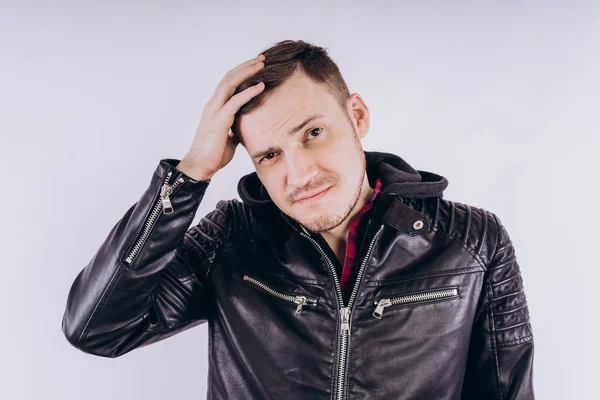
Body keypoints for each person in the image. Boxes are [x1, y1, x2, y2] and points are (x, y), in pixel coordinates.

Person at [61, 40, 535, 399]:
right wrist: (190, 174)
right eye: (269, 155)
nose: (300, 175)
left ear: (357, 115)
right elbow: (97, 329)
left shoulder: (472, 241)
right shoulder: (232, 237)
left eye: (312, 133)